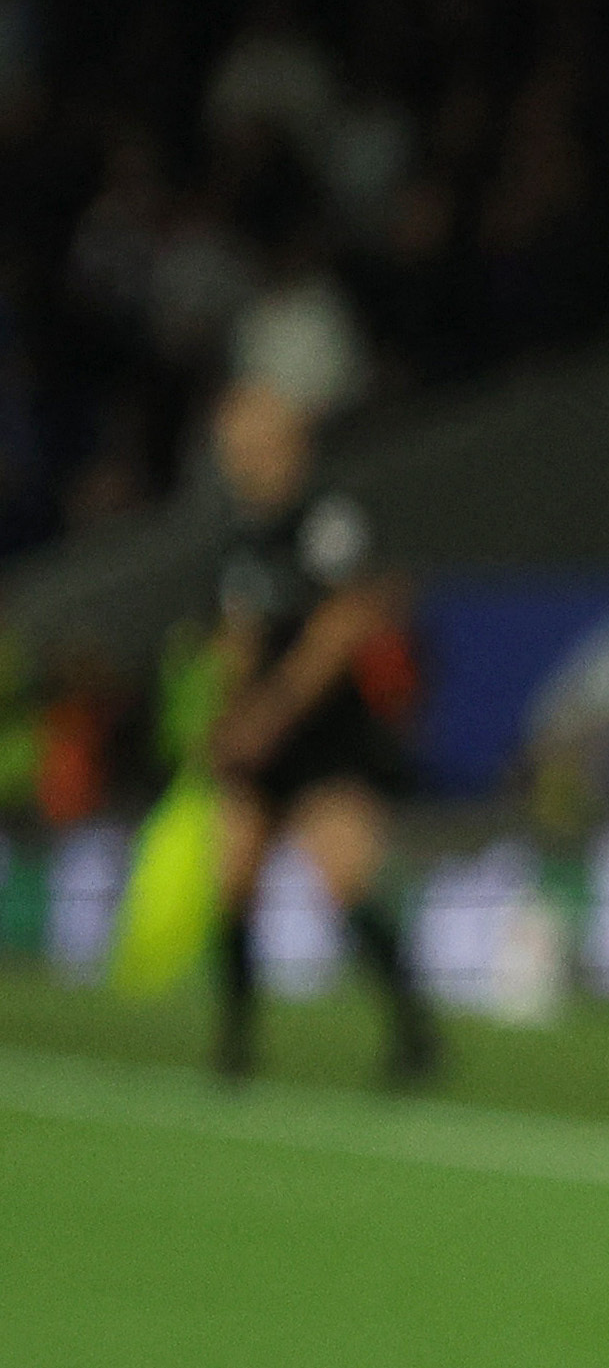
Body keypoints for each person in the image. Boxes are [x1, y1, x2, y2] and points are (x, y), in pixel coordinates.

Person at [199, 380, 441, 1086]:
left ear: (286, 444)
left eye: (251, 446)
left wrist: (269, 712)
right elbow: (236, 634)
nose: (242, 461)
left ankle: (414, 1035)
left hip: (326, 734)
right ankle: (236, 1044)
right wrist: (228, 715)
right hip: (261, 737)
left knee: (343, 875)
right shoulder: (240, 539)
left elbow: (340, 627)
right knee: (234, 868)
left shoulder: (327, 520)